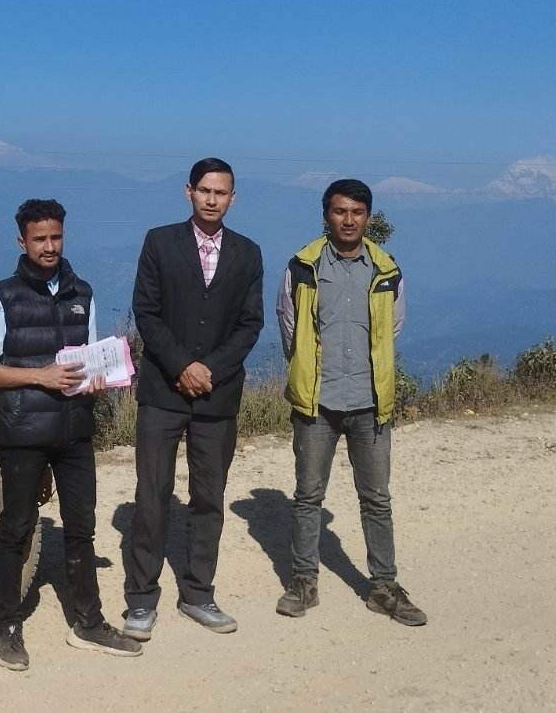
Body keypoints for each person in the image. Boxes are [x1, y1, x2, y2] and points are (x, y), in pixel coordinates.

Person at [0, 198, 141, 671]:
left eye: (56, 237)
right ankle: (9, 626)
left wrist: (99, 376)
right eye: (39, 239)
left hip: (75, 431)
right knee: (16, 529)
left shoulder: (82, 292)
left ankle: (89, 622)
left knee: (81, 529)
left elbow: (86, 353)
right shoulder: (0, 297)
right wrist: (40, 376)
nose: (49, 247)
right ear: (21, 241)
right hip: (23, 432)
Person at [274, 178, 427, 626]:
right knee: (308, 496)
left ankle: (384, 587)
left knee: (376, 499)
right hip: (317, 402)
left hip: (369, 402)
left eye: (357, 212)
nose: (348, 220)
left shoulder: (386, 270)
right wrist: (306, 371)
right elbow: (289, 325)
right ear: (326, 215)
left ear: (368, 217)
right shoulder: (302, 267)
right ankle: (303, 581)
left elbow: (392, 327)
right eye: (340, 211)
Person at [122, 158, 264, 640]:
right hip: (163, 391)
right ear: (188, 191)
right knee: (152, 494)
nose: (211, 199)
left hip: (217, 397)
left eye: (221, 193)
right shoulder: (160, 242)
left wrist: (211, 370)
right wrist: (183, 365)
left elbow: (250, 323)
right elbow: (146, 312)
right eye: (204, 190)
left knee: (209, 497)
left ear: (232, 198)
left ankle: (199, 593)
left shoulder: (247, 253)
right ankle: (141, 598)